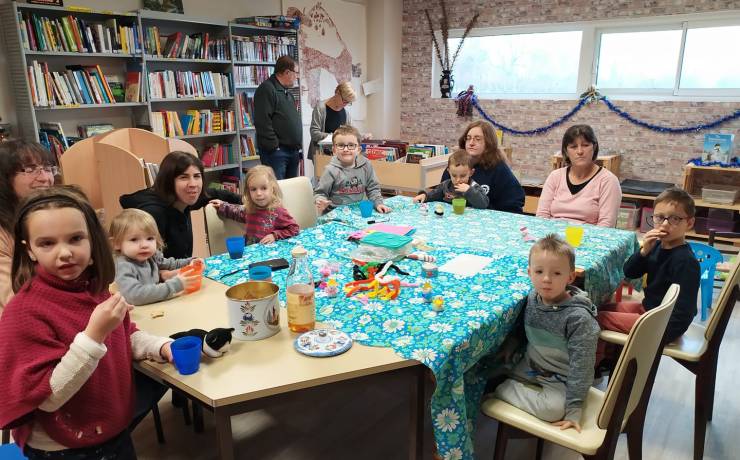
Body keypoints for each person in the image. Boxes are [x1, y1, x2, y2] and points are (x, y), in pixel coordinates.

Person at [0, 187, 174, 458]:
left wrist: (162, 347)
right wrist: (95, 334)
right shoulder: (23, 312)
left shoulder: (94, 289)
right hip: (61, 448)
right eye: (47, 243)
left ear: (92, 240)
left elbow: (125, 335)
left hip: (112, 431)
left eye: (75, 238)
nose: (65, 253)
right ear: (30, 250)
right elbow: (48, 398)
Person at [492, 234, 599, 433]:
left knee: (553, 410)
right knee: (482, 371)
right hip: (530, 365)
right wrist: (511, 344)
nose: (547, 279)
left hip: (560, 378)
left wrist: (574, 409)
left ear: (570, 277)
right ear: (529, 273)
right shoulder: (533, 298)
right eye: (539, 271)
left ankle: (502, 389)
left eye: (556, 273)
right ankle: (500, 384)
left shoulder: (579, 319)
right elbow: (522, 328)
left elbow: (582, 367)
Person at [596, 187, 700, 366]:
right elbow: (630, 273)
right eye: (660, 217)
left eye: (675, 218)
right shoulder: (658, 246)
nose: (665, 224)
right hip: (648, 309)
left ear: (689, 223)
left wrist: (657, 334)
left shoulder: (685, 262)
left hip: (660, 322)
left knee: (595, 319)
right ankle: (611, 360)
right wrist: (644, 251)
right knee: (596, 307)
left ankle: (593, 368)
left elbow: (684, 313)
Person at [120, 151, 240, 259]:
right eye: (183, 177)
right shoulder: (153, 213)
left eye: (197, 176)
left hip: (179, 274)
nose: (193, 184)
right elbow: (144, 264)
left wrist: (247, 201)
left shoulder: (184, 198)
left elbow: (214, 193)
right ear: (169, 181)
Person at [0, 140, 56, 313]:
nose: (45, 178)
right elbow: (12, 301)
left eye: (48, 169)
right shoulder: (4, 232)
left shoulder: (53, 214)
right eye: (30, 170)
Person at [110, 208, 201, 306]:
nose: (144, 245)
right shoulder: (122, 266)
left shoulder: (151, 256)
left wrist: (191, 261)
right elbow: (135, 296)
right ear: (116, 243)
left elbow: (171, 264)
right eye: (134, 239)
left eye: (150, 238)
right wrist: (175, 285)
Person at [536, 125, 622, 227]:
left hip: (588, 239)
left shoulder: (608, 181)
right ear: (566, 151)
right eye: (573, 147)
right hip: (554, 239)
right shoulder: (555, 176)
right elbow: (541, 216)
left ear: (594, 147)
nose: (580, 151)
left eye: (585, 145)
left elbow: (606, 226)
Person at [442, 120, 524, 213]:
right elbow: (442, 193)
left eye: (478, 139)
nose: (471, 143)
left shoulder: (499, 168)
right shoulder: (456, 165)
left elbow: (514, 203)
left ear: (489, 143)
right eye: (468, 138)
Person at [210, 165, 299, 245]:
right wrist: (222, 205)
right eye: (253, 189)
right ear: (248, 192)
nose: (259, 193)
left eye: (264, 188)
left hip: (270, 255)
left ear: (272, 189)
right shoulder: (249, 209)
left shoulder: (278, 211)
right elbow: (235, 211)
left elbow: (294, 228)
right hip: (250, 253)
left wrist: (274, 235)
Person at [313, 125, 391, 215]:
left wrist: (378, 203)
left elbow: (373, 188)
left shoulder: (366, 165)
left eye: (351, 145)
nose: (346, 149)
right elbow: (320, 193)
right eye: (341, 145)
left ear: (358, 149)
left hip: (358, 213)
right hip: (335, 215)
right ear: (334, 150)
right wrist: (321, 201)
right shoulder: (330, 170)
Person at [253, 55, 303, 180]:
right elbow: (263, 122)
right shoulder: (267, 89)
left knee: (291, 190)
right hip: (277, 153)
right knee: (277, 191)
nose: (297, 77)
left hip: (292, 151)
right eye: (296, 73)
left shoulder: (287, 92)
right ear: (287, 72)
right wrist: (274, 147)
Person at [413, 149, 489, 209]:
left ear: (471, 173)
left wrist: (469, 191)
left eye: (462, 176)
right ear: (449, 171)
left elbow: (484, 204)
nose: (458, 180)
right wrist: (424, 196)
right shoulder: (446, 185)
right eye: (454, 175)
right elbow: (434, 194)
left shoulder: (474, 187)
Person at [308, 81, 362, 161]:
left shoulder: (346, 114)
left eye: (348, 102)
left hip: (340, 156)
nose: (345, 104)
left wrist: (362, 136)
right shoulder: (320, 108)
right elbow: (314, 133)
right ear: (337, 92)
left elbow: (351, 133)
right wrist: (335, 137)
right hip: (322, 155)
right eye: (344, 100)